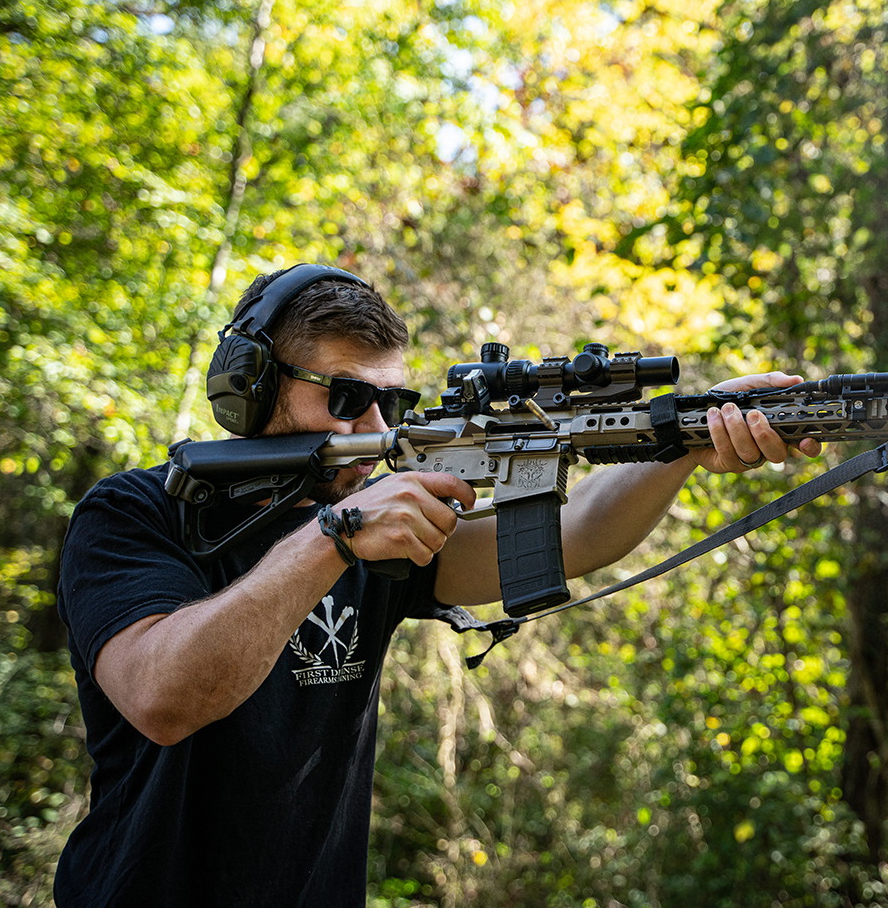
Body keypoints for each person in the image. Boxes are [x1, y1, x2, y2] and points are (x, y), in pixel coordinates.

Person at [53, 265, 819, 907]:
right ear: (248, 388)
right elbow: (165, 698)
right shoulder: (135, 513)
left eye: (393, 401)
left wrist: (683, 438)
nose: (375, 425)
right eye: (347, 398)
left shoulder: (382, 526)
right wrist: (332, 538)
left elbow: (579, 534)